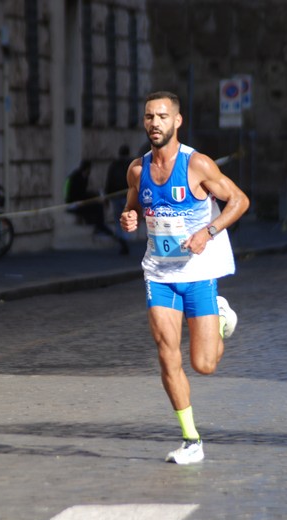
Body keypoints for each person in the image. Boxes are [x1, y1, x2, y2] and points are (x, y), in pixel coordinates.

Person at [120, 91, 250, 464]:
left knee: (204, 364)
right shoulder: (137, 170)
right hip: (158, 275)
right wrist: (128, 218)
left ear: (177, 121)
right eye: (149, 117)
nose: (154, 123)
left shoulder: (198, 165)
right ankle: (191, 440)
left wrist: (207, 232)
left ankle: (221, 316)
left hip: (198, 273)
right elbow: (131, 208)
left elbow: (239, 200)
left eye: (162, 116)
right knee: (167, 357)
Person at [65, 159, 129, 254]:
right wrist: (94, 196)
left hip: (80, 203)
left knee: (98, 208)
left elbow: (82, 194)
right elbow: (78, 195)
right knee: (98, 208)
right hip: (74, 204)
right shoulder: (77, 178)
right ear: (86, 169)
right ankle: (100, 227)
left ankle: (100, 226)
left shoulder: (82, 177)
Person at [105, 144, 132, 252]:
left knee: (118, 219)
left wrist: (107, 196)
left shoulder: (114, 165)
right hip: (127, 197)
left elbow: (109, 181)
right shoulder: (131, 164)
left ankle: (121, 238)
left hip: (115, 196)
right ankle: (125, 239)